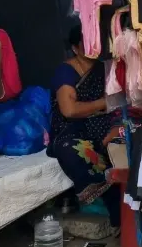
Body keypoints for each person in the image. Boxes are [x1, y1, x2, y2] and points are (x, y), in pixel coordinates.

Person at [47, 25, 121, 230]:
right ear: (76, 48)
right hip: (72, 130)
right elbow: (69, 110)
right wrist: (102, 103)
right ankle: (108, 198)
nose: (92, 47)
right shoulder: (66, 72)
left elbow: (119, 102)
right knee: (73, 150)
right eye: (86, 43)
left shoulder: (103, 68)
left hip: (102, 125)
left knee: (125, 139)